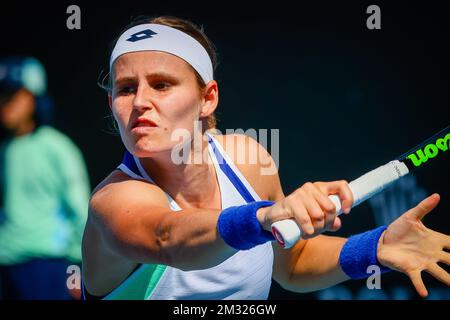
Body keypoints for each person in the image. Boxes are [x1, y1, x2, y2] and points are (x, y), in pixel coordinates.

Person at [82, 16, 450, 300]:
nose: (140, 102)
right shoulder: (113, 202)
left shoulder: (246, 157)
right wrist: (265, 217)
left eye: (161, 84)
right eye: (126, 88)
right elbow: (168, 238)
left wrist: (374, 248)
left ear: (208, 98)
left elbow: (291, 262)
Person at [0, 56, 91, 299]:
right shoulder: (5, 149)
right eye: (1, 95)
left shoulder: (57, 147)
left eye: (13, 94)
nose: (5, 102)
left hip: (48, 267)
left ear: (34, 98)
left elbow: (81, 211)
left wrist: (77, 268)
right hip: (7, 266)